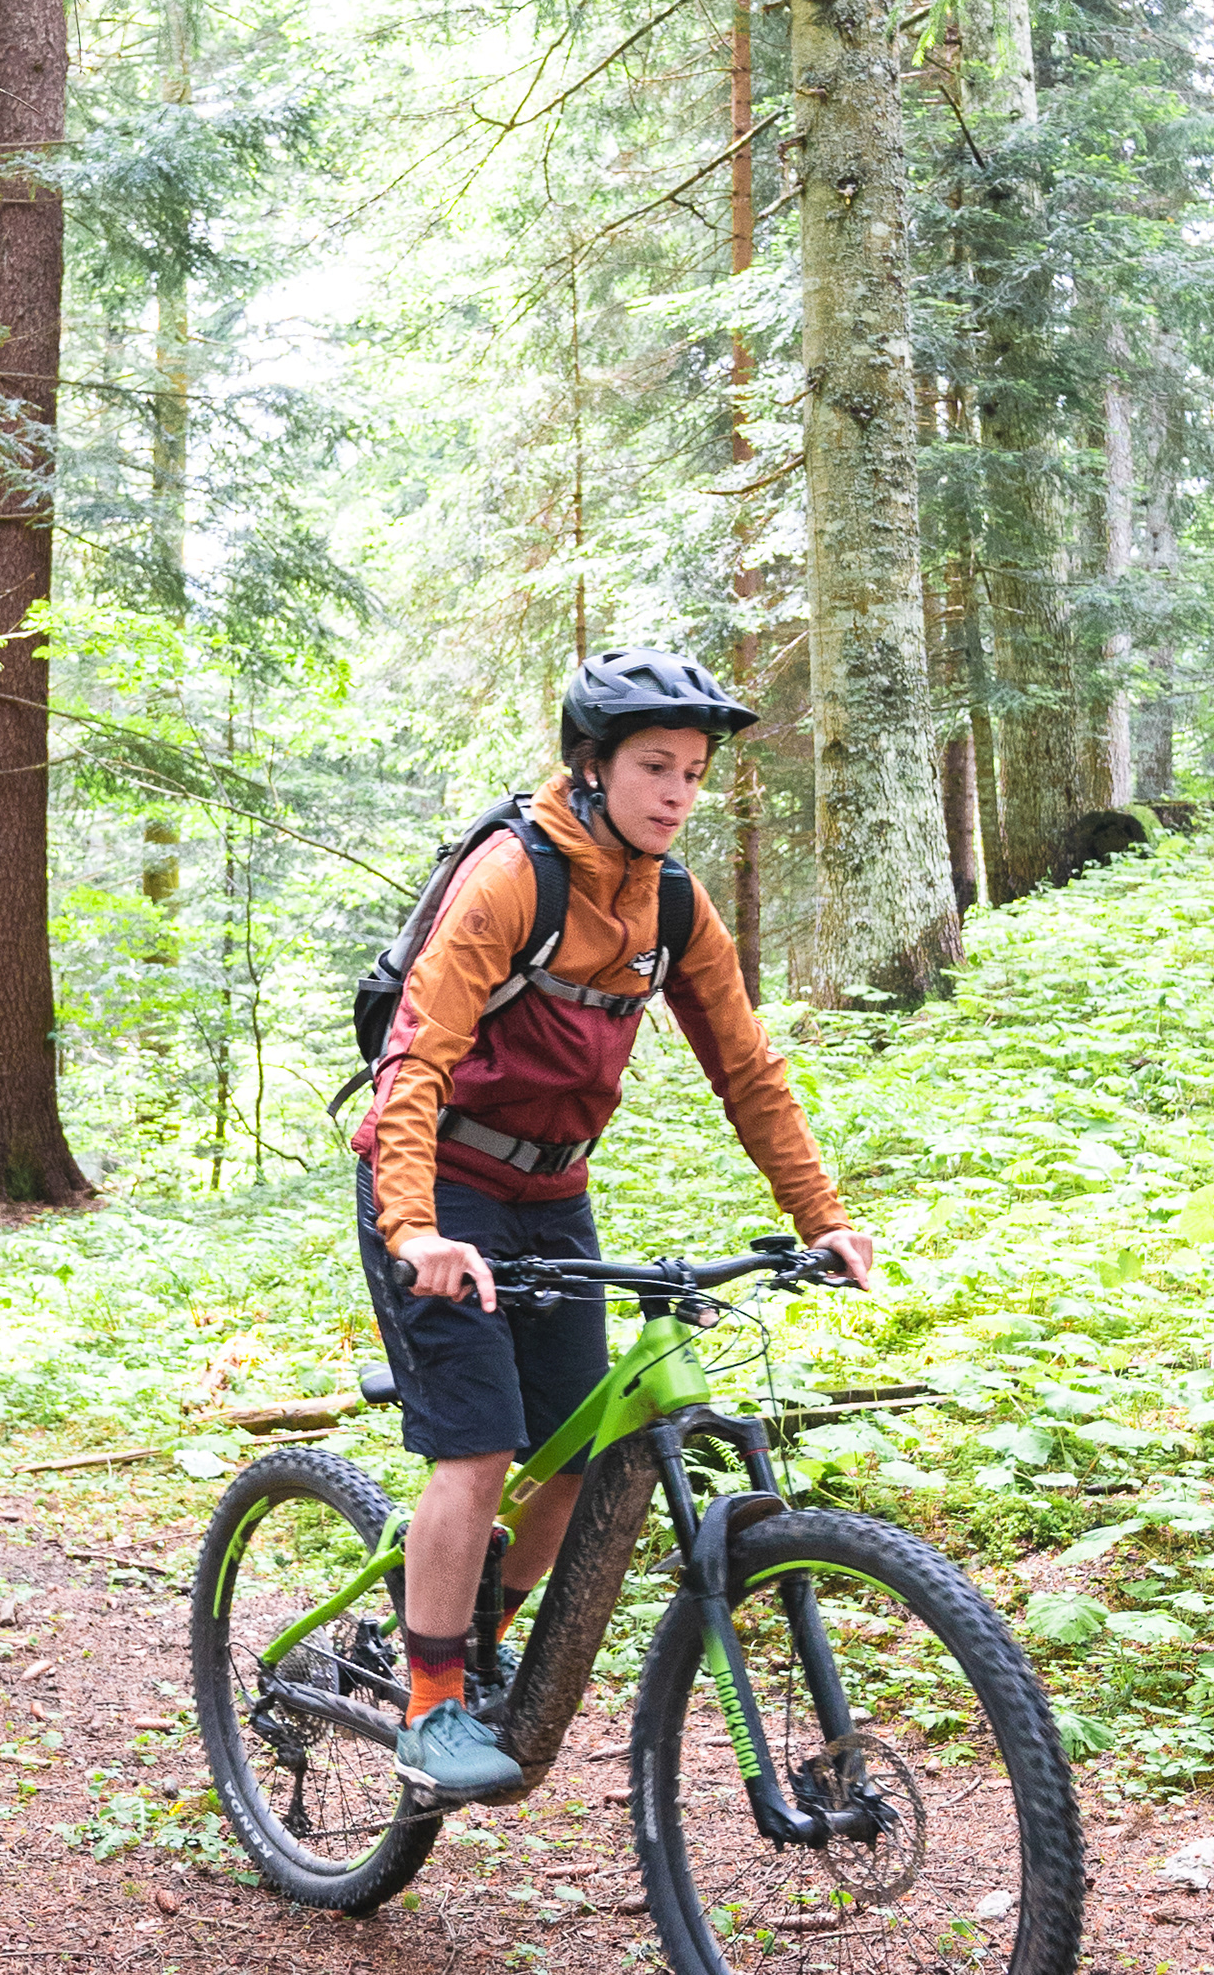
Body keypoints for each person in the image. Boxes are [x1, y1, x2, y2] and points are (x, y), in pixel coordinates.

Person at [351, 645, 880, 1807]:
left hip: (552, 1193)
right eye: (654, 767)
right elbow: (416, 1061)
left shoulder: (674, 903)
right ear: (592, 767)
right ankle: (432, 1705)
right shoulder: (512, 878)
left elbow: (749, 1070)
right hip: (439, 1182)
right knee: (478, 1447)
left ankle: (468, 1630)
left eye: (693, 773)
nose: (678, 793)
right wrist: (415, 1230)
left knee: (584, 1455)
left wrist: (824, 1219)